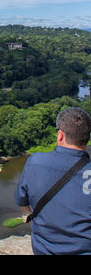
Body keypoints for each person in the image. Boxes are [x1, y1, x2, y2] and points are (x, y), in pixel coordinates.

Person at [15, 107, 91, 255]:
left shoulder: (35, 162)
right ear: (87, 137)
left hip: (45, 250)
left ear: (60, 136)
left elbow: (22, 203)